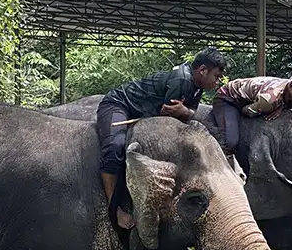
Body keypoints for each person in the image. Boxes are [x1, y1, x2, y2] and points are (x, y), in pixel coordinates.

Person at [96, 47, 227, 229]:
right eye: (216, 76)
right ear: (203, 70)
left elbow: (188, 112)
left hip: (143, 114)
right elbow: (166, 119)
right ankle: (114, 209)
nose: (218, 82)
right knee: (115, 146)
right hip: (119, 105)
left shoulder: (197, 86)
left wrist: (185, 111)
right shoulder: (182, 81)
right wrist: (182, 113)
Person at [212, 70, 292, 151]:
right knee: (231, 141)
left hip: (258, 100)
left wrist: (281, 107)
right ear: (291, 85)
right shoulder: (270, 100)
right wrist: (268, 108)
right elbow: (246, 111)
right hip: (229, 98)